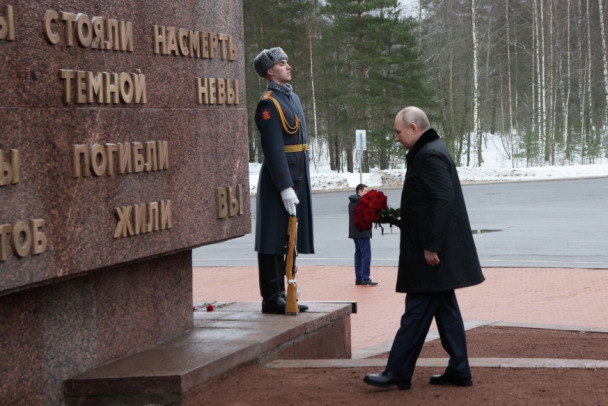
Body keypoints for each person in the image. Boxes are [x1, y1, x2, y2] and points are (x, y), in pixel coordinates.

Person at [364, 106, 485, 390]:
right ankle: (459, 369)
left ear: (414, 128)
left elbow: (442, 201)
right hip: (433, 250)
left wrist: (431, 245)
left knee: (416, 311)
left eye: (398, 131)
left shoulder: (429, 155)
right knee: (445, 311)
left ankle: (397, 371)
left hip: (430, 253)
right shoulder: (429, 151)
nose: (396, 137)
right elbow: (428, 201)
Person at [252, 47, 313, 314]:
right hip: (280, 180)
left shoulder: (292, 98)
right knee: (273, 238)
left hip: (297, 175)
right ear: (269, 71)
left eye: (287, 62)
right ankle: (272, 296)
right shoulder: (269, 103)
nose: (288, 66)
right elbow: (274, 148)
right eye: (281, 63)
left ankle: (287, 290)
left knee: (290, 238)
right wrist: (285, 186)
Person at [348, 184, 378, 286]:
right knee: (366, 255)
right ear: (359, 192)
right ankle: (365, 277)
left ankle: (359, 278)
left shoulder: (352, 202)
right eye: (365, 191)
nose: (367, 193)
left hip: (355, 232)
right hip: (362, 232)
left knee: (358, 255)